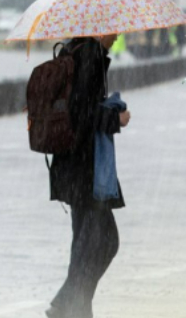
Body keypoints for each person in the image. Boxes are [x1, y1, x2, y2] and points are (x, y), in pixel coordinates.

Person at [45, 34, 131, 318]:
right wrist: (114, 119)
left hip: (73, 166)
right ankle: (67, 303)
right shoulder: (88, 55)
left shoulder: (74, 50)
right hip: (85, 169)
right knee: (104, 240)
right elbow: (80, 114)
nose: (118, 34)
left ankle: (74, 308)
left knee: (86, 243)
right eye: (114, 27)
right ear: (100, 27)